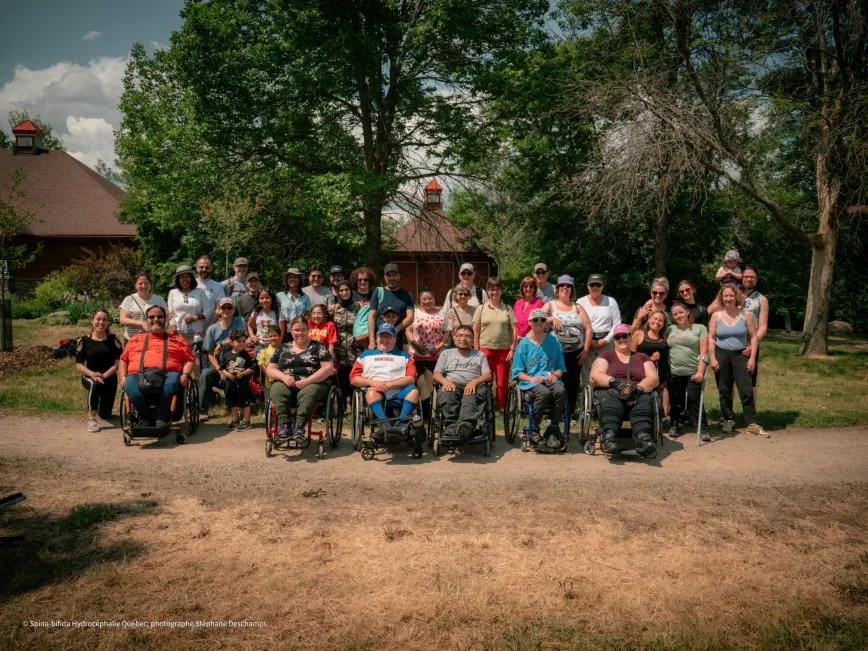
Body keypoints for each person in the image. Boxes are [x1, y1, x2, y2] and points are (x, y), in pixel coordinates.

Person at [118, 305, 195, 430]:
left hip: (168, 373)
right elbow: (123, 359)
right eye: (151, 317)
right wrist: (122, 377)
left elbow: (189, 359)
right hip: (138, 374)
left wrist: (185, 374)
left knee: (171, 383)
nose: (155, 319)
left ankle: (162, 418)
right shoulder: (135, 340)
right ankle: (147, 417)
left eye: (160, 316)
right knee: (129, 386)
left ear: (165, 320)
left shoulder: (177, 340)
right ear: (146, 320)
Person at [590, 323, 660, 457]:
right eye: (618, 337)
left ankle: (643, 438)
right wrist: (614, 382)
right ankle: (609, 437)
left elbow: (653, 378)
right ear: (614, 340)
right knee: (610, 399)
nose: (622, 339)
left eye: (625, 336)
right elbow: (595, 376)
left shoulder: (642, 357)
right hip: (610, 390)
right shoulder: (606, 355)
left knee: (644, 399)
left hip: (637, 391)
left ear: (631, 337)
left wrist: (638, 389)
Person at [708, 285, 767, 436]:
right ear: (722, 298)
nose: (728, 299)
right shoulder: (716, 316)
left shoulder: (745, 315)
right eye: (725, 296)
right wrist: (713, 358)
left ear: (736, 297)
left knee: (746, 390)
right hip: (721, 355)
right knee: (724, 390)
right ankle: (728, 420)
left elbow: (754, 337)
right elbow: (711, 337)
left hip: (740, 355)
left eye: (731, 296)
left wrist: (752, 357)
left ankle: (751, 423)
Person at [266, 317, 335, 440]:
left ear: (308, 330)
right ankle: (284, 425)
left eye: (303, 329)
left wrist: (307, 381)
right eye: (296, 330)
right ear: (291, 331)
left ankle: (299, 426)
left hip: (313, 382)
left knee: (308, 392)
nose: (300, 333)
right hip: (287, 382)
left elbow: (328, 368)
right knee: (277, 388)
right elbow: (270, 369)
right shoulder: (283, 348)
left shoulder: (318, 347)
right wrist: (283, 377)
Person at [351, 323, 420, 441]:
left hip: (400, 390)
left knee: (414, 392)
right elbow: (354, 378)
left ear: (394, 339)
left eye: (388, 336)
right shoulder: (365, 355)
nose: (384, 340)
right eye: (381, 336)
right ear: (376, 338)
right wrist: (372, 382)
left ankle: (399, 426)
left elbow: (410, 378)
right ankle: (386, 426)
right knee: (371, 393)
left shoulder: (405, 356)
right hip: (376, 391)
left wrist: (389, 384)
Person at [511, 309, 567, 447]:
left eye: (542, 320)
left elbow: (561, 367)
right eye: (535, 320)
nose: (539, 323)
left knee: (560, 390)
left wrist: (556, 375)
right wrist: (533, 379)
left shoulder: (553, 341)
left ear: (545, 323)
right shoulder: (523, 344)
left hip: (551, 379)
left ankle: (553, 429)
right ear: (530, 322)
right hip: (531, 382)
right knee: (544, 392)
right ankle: (534, 429)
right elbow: (517, 372)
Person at [545, 275, 592, 418]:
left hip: (576, 352)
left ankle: (569, 413)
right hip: (555, 352)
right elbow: (535, 318)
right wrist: (552, 318)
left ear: (572, 289)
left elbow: (588, 328)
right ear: (557, 289)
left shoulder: (577, 307)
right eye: (562, 285)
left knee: (572, 383)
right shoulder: (550, 305)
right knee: (555, 381)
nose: (565, 288)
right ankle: (552, 413)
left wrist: (585, 350)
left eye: (568, 286)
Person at [433, 325, 492, 438]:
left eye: (467, 336)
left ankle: (465, 425)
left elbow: (487, 375)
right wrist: (444, 381)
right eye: (460, 335)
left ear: (472, 340)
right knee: (447, 393)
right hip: (452, 383)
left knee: (470, 395)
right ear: (454, 338)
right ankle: (451, 428)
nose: (463, 339)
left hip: (474, 384)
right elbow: (436, 374)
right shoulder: (446, 353)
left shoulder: (480, 355)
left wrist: (475, 382)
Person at [473, 277, 517, 411]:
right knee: (486, 381)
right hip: (485, 349)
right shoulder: (481, 308)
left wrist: (512, 349)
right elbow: (475, 330)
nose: (494, 292)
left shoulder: (507, 308)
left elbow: (514, 329)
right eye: (491, 289)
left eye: (497, 289)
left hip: (503, 349)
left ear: (501, 291)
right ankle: (486, 407)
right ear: (488, 291)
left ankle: (501, 407)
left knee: (501, 383)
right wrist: (476, 351)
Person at [199, 297, 247, 419]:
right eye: (223, 307)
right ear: (218, 310)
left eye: (229, 307)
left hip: (235, 361)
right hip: (217, 364)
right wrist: (220, 370)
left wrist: (221, 344)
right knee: (205, 374)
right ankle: (202, 409)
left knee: (236, 373)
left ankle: (237, 405)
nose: (226, 310)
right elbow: (210, 353)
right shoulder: (212, 329)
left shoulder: (239, 321)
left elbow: (241, 341)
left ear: (233, 309)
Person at [75, 308, 123, 431]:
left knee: (106, 415)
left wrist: (105, 375)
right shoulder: (84, 340)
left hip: (109, 378)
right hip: (90, 376)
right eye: (98, 319)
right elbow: (79, 364)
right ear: (92, 321)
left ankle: (101, 409)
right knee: (95, 384)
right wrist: (92, 374)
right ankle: (91, 420)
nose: (101, 322)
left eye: (104, 320)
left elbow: (118, 363)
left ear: (108, 323)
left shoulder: (113, 340)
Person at [668, 302, 709, 440]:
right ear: (672, 317)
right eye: (675, 314)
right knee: (676, 401)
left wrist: (700, 372)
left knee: (694, 399)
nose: (678, 315)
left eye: (680, 312)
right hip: (674, 371)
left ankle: (702, 427)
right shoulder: (670, 329)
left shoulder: (700, 328)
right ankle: (676, 424)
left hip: (693, 372)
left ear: (687, 312)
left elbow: (704, 352)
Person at [407, 288, 446, 420]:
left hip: (435, 355)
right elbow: (408, 330)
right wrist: (416, 345)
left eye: (430, 298)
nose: (427, 301)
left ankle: (432, 413)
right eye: (424, 299)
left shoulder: (442, 313)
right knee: (419, 383)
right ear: (420, 301)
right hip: (416, 354)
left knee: (432, 385)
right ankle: (419, 412)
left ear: (434, 299)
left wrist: (439, 346)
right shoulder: (415, 313)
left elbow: (447, 332)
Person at [577, 274, 622, 386]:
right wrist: (589, 340)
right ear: (588, 286)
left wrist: (606, 340)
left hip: (607, 342)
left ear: (602, 286)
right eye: (592, 284)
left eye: (598, 284)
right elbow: (577, 324)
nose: (595, 287)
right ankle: (587, 400)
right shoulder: (580, 302)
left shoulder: (611, 301)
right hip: (587, 342)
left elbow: (617, 324)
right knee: (587, 375)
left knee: (607, 372)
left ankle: (605, 400)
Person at [631, 308, 671, 431]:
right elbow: (631, 356)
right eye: (655, 319)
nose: (657, 322)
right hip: (642, 371)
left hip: (662, 371)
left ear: (664, 324)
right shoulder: (639, 334)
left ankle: (665, 417)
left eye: (661, 320)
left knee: (663, 388)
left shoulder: (666, 336)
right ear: (649, 320)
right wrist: (650, 358)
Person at [366, 263, 414, 348]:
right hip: (379, 341)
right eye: (388, 275)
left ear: (399, 276)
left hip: (398, 341)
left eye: (394, 275)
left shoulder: (406, 295)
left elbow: (410, 317)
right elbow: (371, 316)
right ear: (385, 277)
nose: (392, 278)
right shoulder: (378, 292)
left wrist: (395, 329)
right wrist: (371, 341)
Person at [166, 264, 212, 347]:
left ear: (192, 278)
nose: (185, 279)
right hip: (179, 333)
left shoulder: (200, 292)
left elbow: (208, 311)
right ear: (178, 279)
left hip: (197, 334)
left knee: (196, 358)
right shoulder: (173, 293)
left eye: (187, 276)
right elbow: (171, 314)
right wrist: (173, 327)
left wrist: (195, 317)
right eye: (182, 277)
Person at [218, 330, 254, 430]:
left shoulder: (245, 354)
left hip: (243, 384)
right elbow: (222, 368)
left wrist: (243, 373)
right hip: (230, 384)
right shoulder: (227, 354)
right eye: (239, 341)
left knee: (244, 402)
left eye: (244, 341)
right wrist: (227, 374)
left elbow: (251, 368)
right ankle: (235, 420)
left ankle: (246, 421)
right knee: (232, 402)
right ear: (232, 342)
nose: (242, 343)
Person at [741, 267, 768, 393]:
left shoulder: (761, 299)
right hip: (730, 344)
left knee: (750, 382)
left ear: (756, 280)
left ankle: (751, 412)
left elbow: (763, 326)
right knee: (727, 382)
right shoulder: (731, 295)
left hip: (749, 346)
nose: (749, 279)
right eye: (746, 276)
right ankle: (727, 413)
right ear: (741, 278)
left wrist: (753, 345)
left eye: (752, 277)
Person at [119, 272, 168, 341]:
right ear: (135, 285)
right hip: (132, 340)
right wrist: (142, 324)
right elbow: (123, 320)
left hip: (154, 339)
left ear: (150, 284)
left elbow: (167, 317)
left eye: (146, 283)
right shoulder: (129, 299)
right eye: (140, 283)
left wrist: (162, 329)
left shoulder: (159, 299)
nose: (143, 286)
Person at [333, 280, 360, 404]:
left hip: (355, 348)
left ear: (351, 291)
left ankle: (355, 404)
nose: (344, 293)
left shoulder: (358, 307)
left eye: (347, 290)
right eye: (341, 290)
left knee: (355, 375)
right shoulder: (334, 309)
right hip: (339, 349)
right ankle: (342, 406)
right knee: (341, 377)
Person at [708, 250, 743, 315]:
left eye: (734, 261)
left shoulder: (737, 269)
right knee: (720, 298)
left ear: (737, 262)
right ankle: (719, 309)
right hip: (724, 287)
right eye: (730, 261)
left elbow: (740, 276)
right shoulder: (722, 268)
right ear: (726, 262)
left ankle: (738, 308)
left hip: (735, 287)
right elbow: (717, 276)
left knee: (738, 297)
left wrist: (732, 273)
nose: (732, 263)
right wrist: (724, 274)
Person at [277, 267, 311, 333]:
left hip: (300, 330)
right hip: (284, 330)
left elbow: (308, 315)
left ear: (299, 279)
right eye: (290, 277)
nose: (292, 279)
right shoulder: (279, 296)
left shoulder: (305, 297)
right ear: (287, 280)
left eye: (295, 277)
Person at [257, 325, 282, 406]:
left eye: (275, 336)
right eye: (270, 336)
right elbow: (262, 364)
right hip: (269, 380)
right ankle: (269, 416)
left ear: (280, 336)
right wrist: (269, 375)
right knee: (269, 399)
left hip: (282, 379)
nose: (272, 338)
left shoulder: (285, 349)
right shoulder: (265, 350)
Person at [195, 256, 226, 321]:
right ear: (196, 268)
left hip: (210, 326)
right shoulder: (191, 284)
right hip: (192, 326)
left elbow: (219, 308)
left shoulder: (217, 286)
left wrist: (212, 325)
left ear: (211, 269)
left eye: (207, 268)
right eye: (201, 267)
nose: (204, 269)